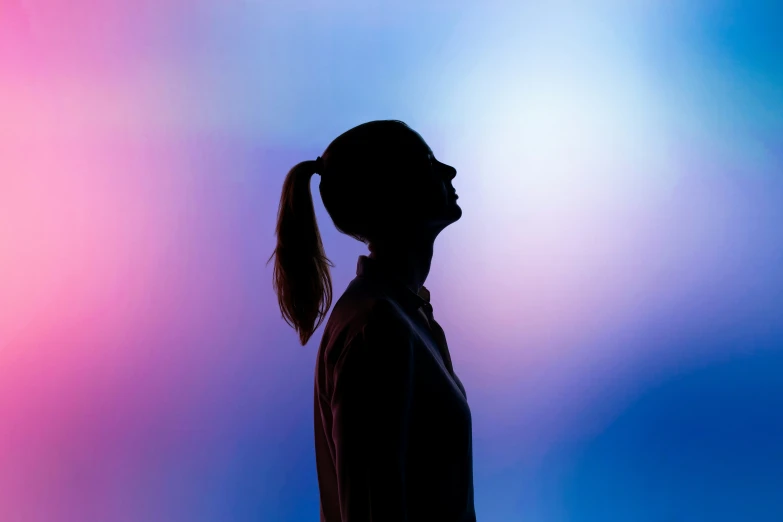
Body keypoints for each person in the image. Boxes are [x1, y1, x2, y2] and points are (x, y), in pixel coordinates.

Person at [268, 120, 476, 521]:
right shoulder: (377, 328)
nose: (448, 171)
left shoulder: (404, 318)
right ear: (393, 189)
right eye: (428, 162)